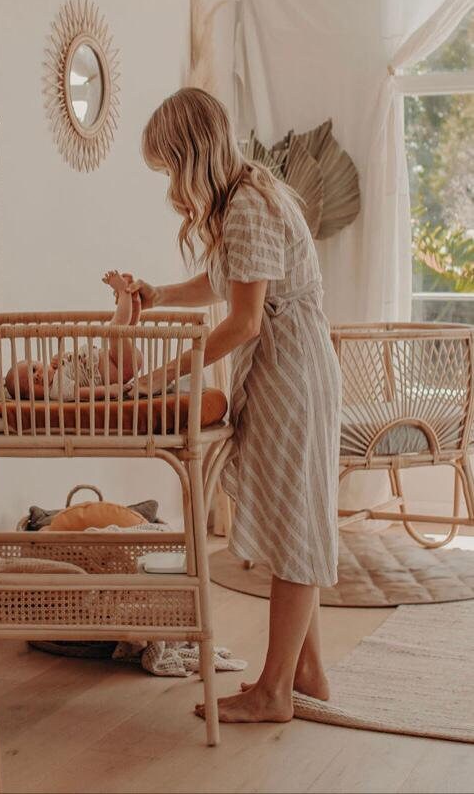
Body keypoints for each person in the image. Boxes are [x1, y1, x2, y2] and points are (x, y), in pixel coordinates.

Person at [126, 88, 341, 724]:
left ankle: (275, 692)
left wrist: (167, 372)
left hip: (289, 371)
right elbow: (231, 282)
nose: (169, 183)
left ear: (188, 155)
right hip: (287, 368)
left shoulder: (247, 205)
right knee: (293, 522)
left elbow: (245, 320)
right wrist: (159, 295)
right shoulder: (247, 196)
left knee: (297, 528)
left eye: (168, 166)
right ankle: (307, 674)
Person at [5, 271, 142, 399]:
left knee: (124, 331)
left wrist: (62, 358)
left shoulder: (56, 369)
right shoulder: (57, 390)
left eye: (34, 369)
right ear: (32, 397)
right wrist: (109, 390)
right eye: (33, 382)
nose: (37, 376)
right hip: (119, 368)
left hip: (111, 357)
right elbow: (80, 393)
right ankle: (125, 292)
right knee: (115, 330)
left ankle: (133, 303)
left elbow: (73, 366)